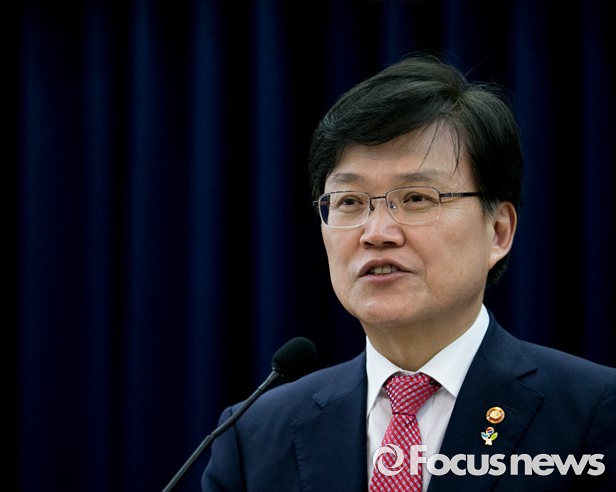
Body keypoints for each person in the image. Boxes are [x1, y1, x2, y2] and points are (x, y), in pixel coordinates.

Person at [200, 53, 616, 491]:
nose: (377, 233)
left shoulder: (594, 413)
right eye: (349, 202)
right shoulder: (253, 438)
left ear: (498, 231)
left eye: (417, 198)